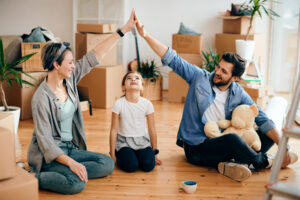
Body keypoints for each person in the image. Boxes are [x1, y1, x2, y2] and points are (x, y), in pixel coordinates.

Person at [134, 14, 298, 182]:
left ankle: (232, 164)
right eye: (219, 67)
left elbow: (263, 119)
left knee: (264, 136)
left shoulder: (238, 93)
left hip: (222, 141)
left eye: (224, 71)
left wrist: (284, 146)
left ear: (234, 78)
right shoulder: (199, 77)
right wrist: (145, 34)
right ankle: (264, 162)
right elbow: (172, 58)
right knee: (233, 140)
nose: (218, 72)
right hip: (198, 149)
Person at [27, 10, 137, 194]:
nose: (74, 66)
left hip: (71, 148)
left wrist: (123, 30)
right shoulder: (40, 98)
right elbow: (46, 142)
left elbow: (95, 56)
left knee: (107, 163)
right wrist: (71, 164)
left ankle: (69, 172)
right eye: (69, 62)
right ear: (56, 65)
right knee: (76, 184)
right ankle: (34, 176)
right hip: (50, 155)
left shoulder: (68, 80)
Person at [109, 71, 162, 173]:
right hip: (124, 142)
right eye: (129, 78)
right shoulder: (118, 104)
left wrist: (155, 153)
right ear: (123, 87)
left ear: (142, 87)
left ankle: (138, 155)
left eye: (137, 78)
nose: (133, 79)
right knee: (131, 166)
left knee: (148, 166)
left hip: (142, 141)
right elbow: (113, 130)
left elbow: (152, 129)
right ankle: (123, 153)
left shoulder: (147, 104)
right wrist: (112, 154)